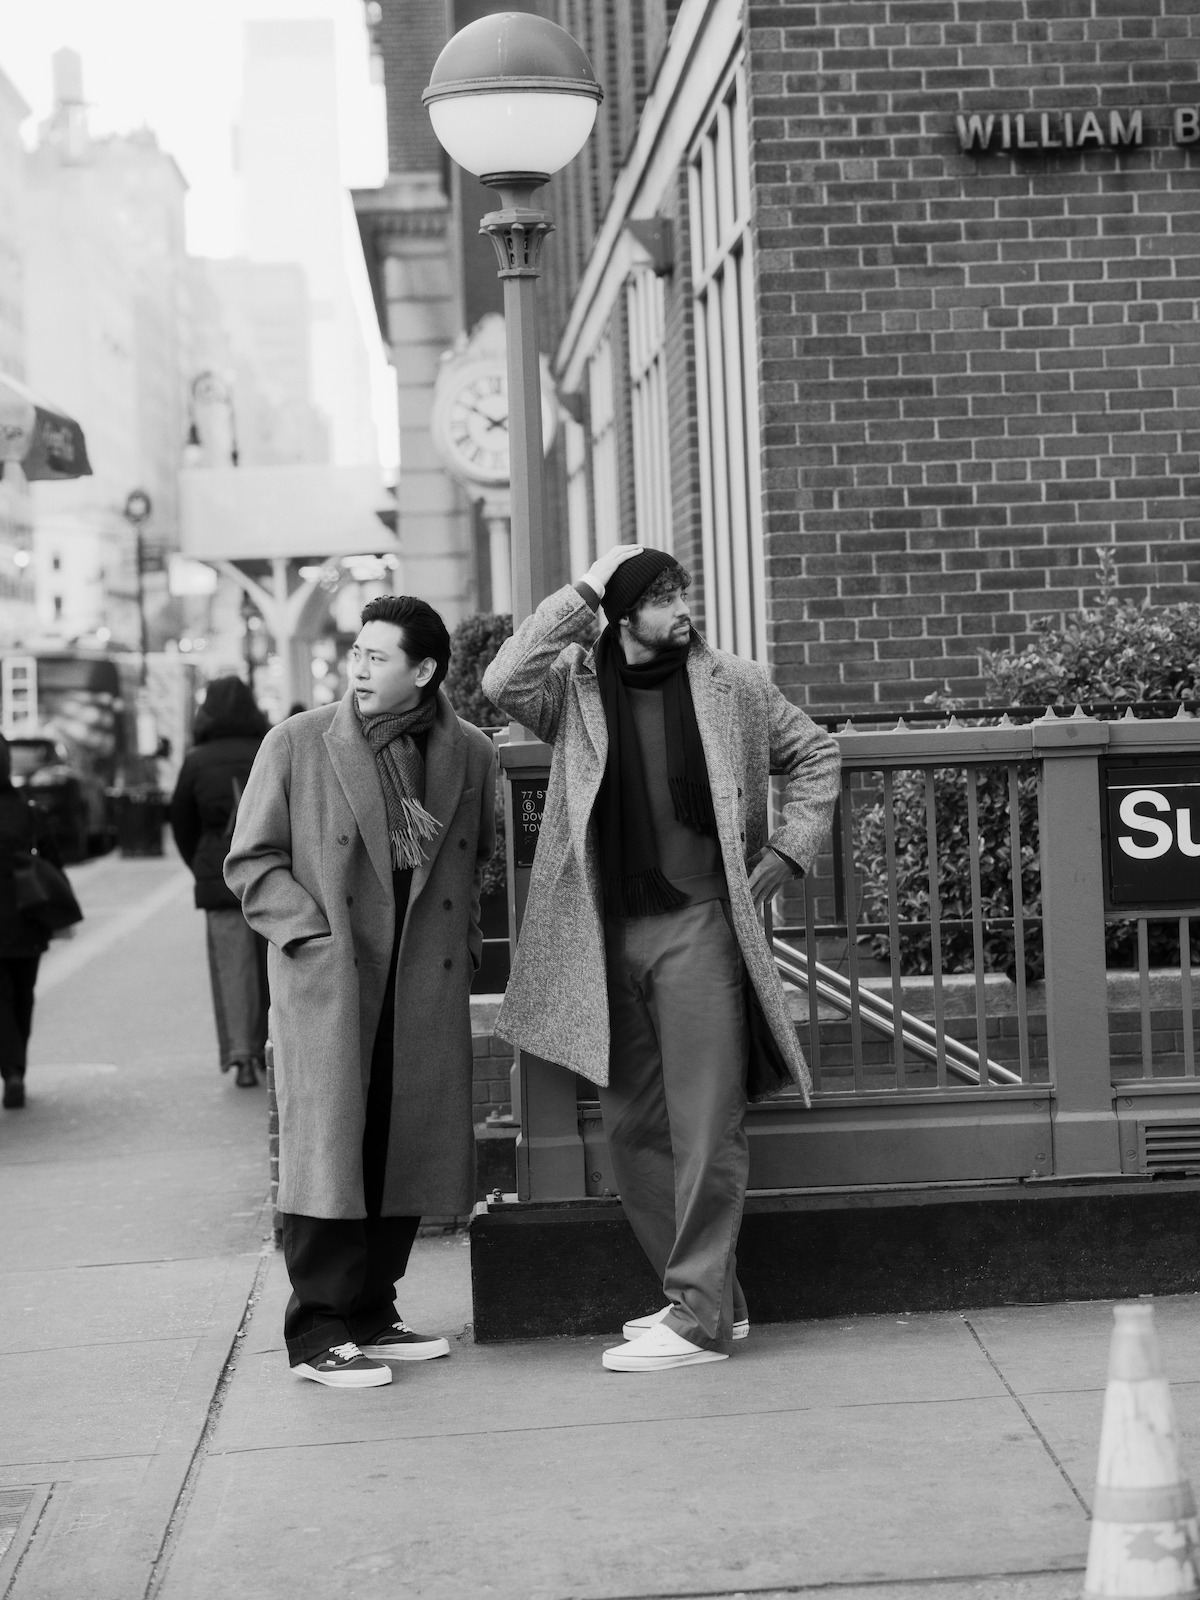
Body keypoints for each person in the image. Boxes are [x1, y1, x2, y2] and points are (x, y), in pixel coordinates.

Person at [482, 546, 840, 1372]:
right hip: (605, 935)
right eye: (663, 595)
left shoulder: (733, 685)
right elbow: (501, 682)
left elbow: (816, 755)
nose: (684, 607)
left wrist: (786, 853)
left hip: (700, 928)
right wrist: (580, 588)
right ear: (621, 611)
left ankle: (696, 1320)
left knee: (708, 1122)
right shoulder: (574, 690)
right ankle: (715, 1303)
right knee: (634, 1127)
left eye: (685, 590)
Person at [225, 595, 496, 1389]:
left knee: (399, 1142)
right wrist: (311, 937)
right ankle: (317, 1330)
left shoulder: (466, 753)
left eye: (380, 657)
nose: (361, 668)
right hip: (335, 982)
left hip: (419, 977)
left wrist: (466, 942)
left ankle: (373, 1311)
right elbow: (251, 863)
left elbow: (472, 864)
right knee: (332, 1147)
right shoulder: (300, 743)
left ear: (425, 670)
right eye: (357, 653)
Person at [169, 676, 271, 1089]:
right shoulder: (269, 746)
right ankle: (273, 1046)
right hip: (270, 869)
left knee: (232, 967)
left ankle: (241, 1058)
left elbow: (181, 823)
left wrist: (203, 865)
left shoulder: (195, 761)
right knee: (273, 964)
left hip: (219, 873)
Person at [0, 733, 68, 1110]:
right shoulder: (27, 810)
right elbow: (55, 863)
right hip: (28, 916)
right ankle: (17, 1069)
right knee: (23, 994)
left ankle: (9, 1069)